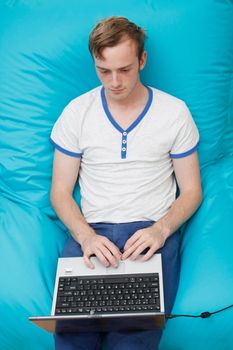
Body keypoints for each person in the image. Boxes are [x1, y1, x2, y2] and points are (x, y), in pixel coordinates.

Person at [50, 16, 202, 350]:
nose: (115, 81)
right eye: (104, 71)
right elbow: (60, 193)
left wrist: (161, 231)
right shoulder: (76, 113)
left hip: (151, 234)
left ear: (142, 61)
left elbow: (191, 192)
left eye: (125, 69)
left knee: (135, 334)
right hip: (91, 234)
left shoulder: (175, 112)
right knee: (74, 333)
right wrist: (86, 237)